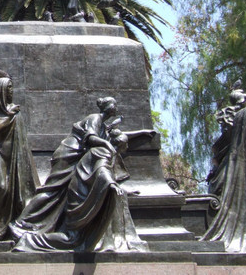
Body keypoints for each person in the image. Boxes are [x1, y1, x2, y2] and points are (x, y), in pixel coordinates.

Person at [9, 97, 150, 252]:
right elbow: (90, 137)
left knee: (58, 195)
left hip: (79, 159)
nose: (116, 108)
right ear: (108, 107)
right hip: (69, 155)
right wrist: (107, 145)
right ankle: (20, 223)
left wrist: (142, 132)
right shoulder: (94, 118)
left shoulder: (102, 125)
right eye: (114, 105)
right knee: (51, 191)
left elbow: (119, 137)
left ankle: (39, 225)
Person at [201, 72, 246, 252]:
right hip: (243, 163)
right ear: (240, 101)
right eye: (245, 97)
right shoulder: (241, 116)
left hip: (242, 161)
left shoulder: (234, 118)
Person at [0, 75, 38, 241]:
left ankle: (13, 226)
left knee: (18, 191)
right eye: (9, 88)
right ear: (0, 91)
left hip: (14, 155)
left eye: (12, 88)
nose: (12, 92)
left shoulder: (14, 110)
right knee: (1, 187)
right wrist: (10, 115)